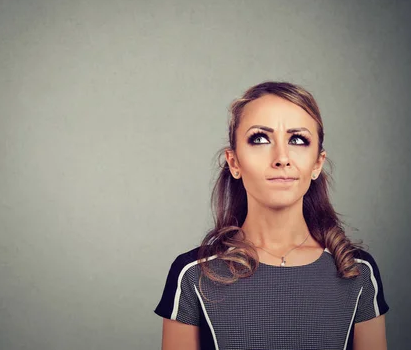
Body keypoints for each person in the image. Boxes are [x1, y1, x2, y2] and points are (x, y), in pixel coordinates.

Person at [154, 81, 389, 350]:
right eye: (260, 139)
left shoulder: (356, 271)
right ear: (234, 162)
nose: (282, 158)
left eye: (298, 139)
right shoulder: (194, 275)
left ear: (317, 164)